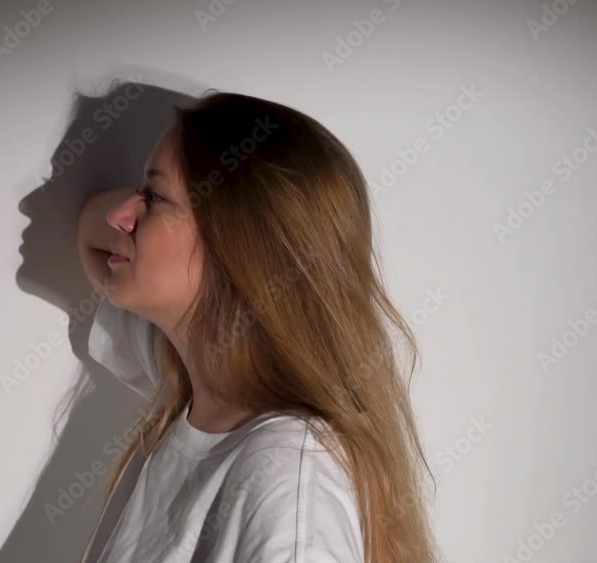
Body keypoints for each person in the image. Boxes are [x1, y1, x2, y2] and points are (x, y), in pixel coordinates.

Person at [75, 91, 439, 562]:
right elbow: (92, 236)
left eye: (154, 198)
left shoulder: (288, 484)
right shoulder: (200, 378)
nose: (120, 215)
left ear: (242, 242)